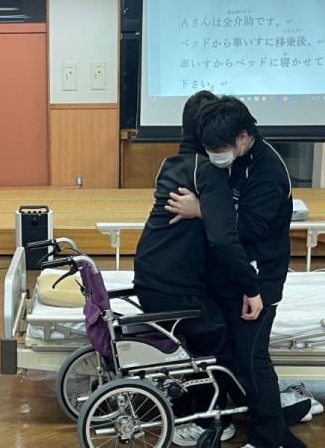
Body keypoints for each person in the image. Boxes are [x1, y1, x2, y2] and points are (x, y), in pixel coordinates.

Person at [167, 96, 304, 448]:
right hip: (228, 272)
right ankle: (243, 418)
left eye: (218, 148)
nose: (214, 155)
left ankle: (268, 438)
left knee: (250, 358)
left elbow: (248, 229)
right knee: (223, 352)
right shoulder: (229, 157)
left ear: (243, 137)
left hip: (259, 278)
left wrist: (201, 210)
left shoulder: (269, 171)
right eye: (208, 148)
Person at [133, 91, 263, 446]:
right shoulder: (207, 171)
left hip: (150, 275)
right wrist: (251, 288)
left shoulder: (172, 163)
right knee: (220, 338)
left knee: (206, 330)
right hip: (173, 288)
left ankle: (200, 406)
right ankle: (211, 417)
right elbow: (224, 240)